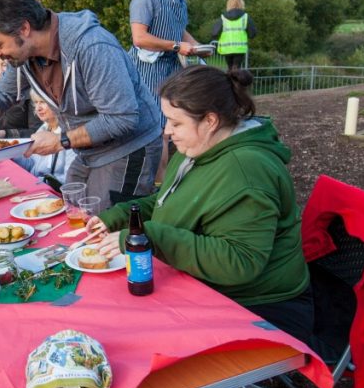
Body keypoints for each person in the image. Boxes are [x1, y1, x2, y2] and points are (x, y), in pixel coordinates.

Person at [87, 65, 313, 343]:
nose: (167, 131)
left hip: (259, 303)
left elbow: (240, 262)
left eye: (176, 122)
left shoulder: (246, 171)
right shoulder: (197, 148)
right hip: (211, 286)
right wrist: (122, 216)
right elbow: (166, 200)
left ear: (210, 121)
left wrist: (153, 237)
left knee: (130, 331)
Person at [0, 0, 162, 212]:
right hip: (88, 151)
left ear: (23, 28)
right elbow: (3, 95)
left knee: (105, 225)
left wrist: (60, 141)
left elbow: (122, 118)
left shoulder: (92, 46)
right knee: (68, 211)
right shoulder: (25, 56)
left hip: (129, 149)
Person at [129, 0, 202, 184]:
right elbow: (139, 37)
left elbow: (180, 31)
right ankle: (158, 189)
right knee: (158, 131)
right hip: (147, 70)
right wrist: (176, 46)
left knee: (171, 127)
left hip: (171, 70)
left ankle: (168, 181)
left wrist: (198, 47)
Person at [15, 92, 77, 183]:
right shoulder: (44, 128)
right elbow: (31, 163)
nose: (38, 108)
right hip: (36, 185)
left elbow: (68, 181)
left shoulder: (69, 134)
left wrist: (36, 181)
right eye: (36, 102)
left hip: (53, 193)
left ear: (58, 103)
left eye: (43, 102)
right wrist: (9, 153)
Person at [210, 0, 258, 70]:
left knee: (229, 68)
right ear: (242, 4)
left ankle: (229, 81)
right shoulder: (245, 17)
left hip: (226, 49)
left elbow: (214, 33)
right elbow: (252, 34)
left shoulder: (223, 17)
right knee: (236, 69)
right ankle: (236, 81)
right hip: (240, 49)